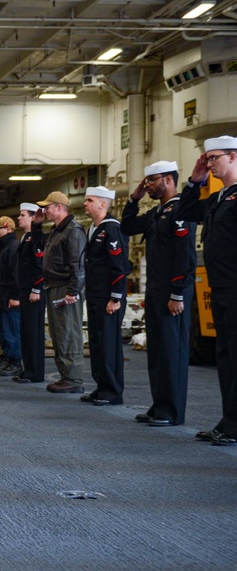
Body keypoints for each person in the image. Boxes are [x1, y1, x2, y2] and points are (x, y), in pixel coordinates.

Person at [122, 161, 196, 427]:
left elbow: (185, 256)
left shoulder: (181, 210)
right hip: (154, 290)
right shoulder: (158, 212)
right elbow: (127, 227)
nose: (148, 185)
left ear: (168, 179)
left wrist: (177, 294)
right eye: (147, 181)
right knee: (157, 352)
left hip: (171, 292)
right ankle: (159, 405)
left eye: (152, 180)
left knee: (172, 352)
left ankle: (172, 411)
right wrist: (134, 199)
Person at [177, 136, 237, 445]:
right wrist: (194, 180)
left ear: (233, 157)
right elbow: (184, 212)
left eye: (214, 158)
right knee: (224, 357)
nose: (209, 163)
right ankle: (229, 421)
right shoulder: (218, 197)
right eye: (207, 158)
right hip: (221, 287)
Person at [81, 186, 130, 406]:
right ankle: (101, 386)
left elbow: (119, 266)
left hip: (108, 297)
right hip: (95, 294)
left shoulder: (111, 229)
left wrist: (115, 297)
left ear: (102, 204)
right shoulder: (94, 228)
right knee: (97, 342)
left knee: (109, 344)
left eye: (89, 200)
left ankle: (112, 391)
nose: (85, 204)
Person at [38, 191, 87, 394]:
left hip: (66, 287)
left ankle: (74, 378)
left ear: (59, 207)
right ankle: (66, 375)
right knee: (58, 333)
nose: (44, 211)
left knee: (68, 332)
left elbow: (78, 264)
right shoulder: (57, 230)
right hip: (55, 286)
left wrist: (73, 290)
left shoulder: (72, 231)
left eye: (47, 207)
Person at [14, 204, 46, 384]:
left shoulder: (36, 237)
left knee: (34, 332)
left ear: (33, 218)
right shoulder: (25, 237)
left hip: (34, 291)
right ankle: (28, 369)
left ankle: (35, 372)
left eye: (22, 215)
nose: (19, 218)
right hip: (25, 289)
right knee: (26, 330)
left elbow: (39, 265)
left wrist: (36, 289)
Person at [0, 216, 22, 378]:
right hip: (0, 297)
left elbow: (16, 274)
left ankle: (15, 361)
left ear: (8, 229)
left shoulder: (13, 247)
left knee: (11, 331)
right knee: (2, 331)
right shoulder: (2, 249)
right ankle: (6, 357)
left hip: (9, 297)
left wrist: (16, 295)